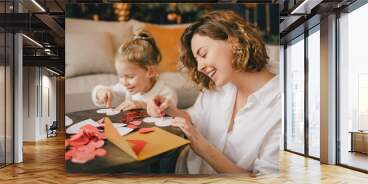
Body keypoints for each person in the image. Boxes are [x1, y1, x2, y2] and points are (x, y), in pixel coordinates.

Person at [147, 10, 282, 175]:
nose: (199, 67)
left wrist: (203, 148)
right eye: (197, 60)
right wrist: (170, 110)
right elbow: (195, 118)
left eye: (203, 54)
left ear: (234, 40)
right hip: (182, 170)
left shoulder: (282, 105)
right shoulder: (221, 83)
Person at [91, 30, 177, 111]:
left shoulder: (166, 93)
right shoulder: (126, 87)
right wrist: (101, 92)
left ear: (150, 72)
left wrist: (143, 105)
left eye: (130, 76)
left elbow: (168, 114)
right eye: (120, 76)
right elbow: (98, 90)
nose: (124, 82)